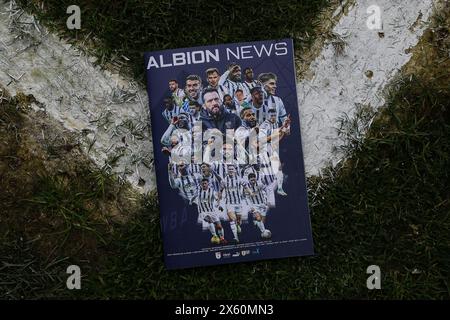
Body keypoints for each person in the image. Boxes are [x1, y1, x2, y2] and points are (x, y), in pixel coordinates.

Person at [197, 178, 227, 245]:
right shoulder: (198, 191)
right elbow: (192, 196)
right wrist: (191, 202)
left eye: (205, 183)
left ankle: (222, 238)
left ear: (208, 184)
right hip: (202, 212)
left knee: (219, 226)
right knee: (209, 220)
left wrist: (219, 206)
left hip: (212, 211)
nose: (204, 185)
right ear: (201, 184)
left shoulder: (212, 191)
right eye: (202, 183)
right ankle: (215, 236)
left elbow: (217, 200)